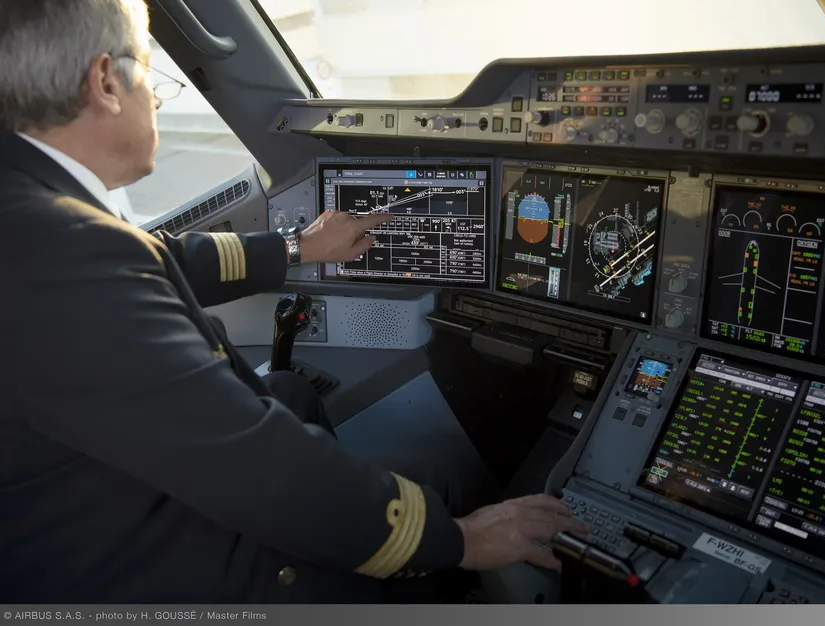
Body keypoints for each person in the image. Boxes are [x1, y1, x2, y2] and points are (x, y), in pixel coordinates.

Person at [0, 0, 585, 603]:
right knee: (440, 491)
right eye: (150, 74)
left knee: (290, 394)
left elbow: (159, 258)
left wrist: (297, 246)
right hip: (143, 575)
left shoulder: (34, 219)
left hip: (82, 529)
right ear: (103, 83)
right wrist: (460, 540)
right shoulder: (62, 254)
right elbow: (250, 465)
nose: (155, 98)